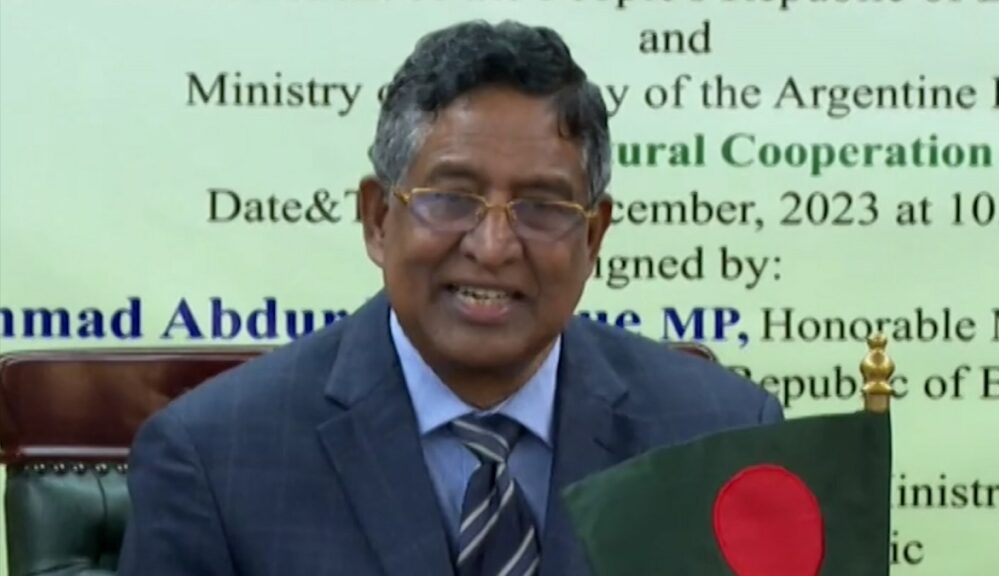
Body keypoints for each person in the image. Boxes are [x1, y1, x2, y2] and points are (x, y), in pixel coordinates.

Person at [118, 20, 783, 576]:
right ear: (378, 219)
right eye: (451, 199)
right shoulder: (214, 459)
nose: (493, 246)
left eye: (541, 206)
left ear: (592, 235)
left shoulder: (720, 438)